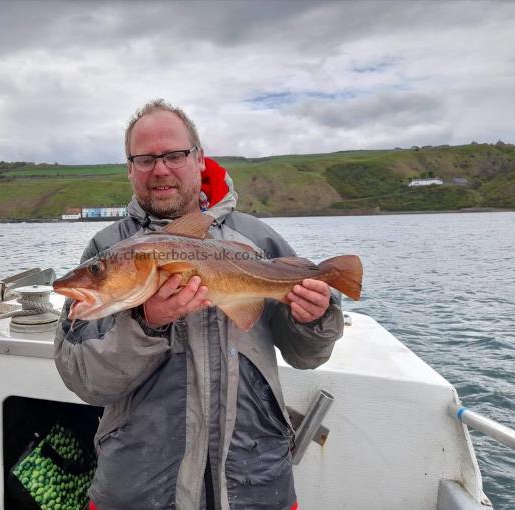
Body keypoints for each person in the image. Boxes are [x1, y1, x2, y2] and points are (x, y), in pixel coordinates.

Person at [54, 99, 344, 510]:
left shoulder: (258, 241)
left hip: (256, 484)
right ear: (130, 168)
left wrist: (316, 317)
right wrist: (147, 323)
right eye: (145, 158)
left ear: (198, 158)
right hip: (139, 489)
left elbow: (308, 356)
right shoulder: (106, 249)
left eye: (174, 155)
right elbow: (85, 380)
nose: (160, 169)